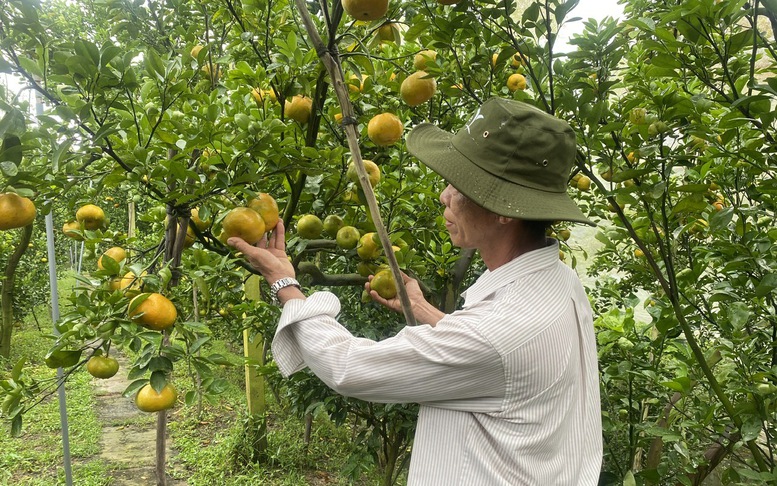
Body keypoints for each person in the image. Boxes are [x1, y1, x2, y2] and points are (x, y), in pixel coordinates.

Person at [228, 98, 602, 485]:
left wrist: (284, 282)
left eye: (458, 184)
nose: (444, 195)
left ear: (504, 208)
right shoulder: (558, 283)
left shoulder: (498, 334)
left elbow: (348, 367)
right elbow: (497, 356)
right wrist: (423, 309)